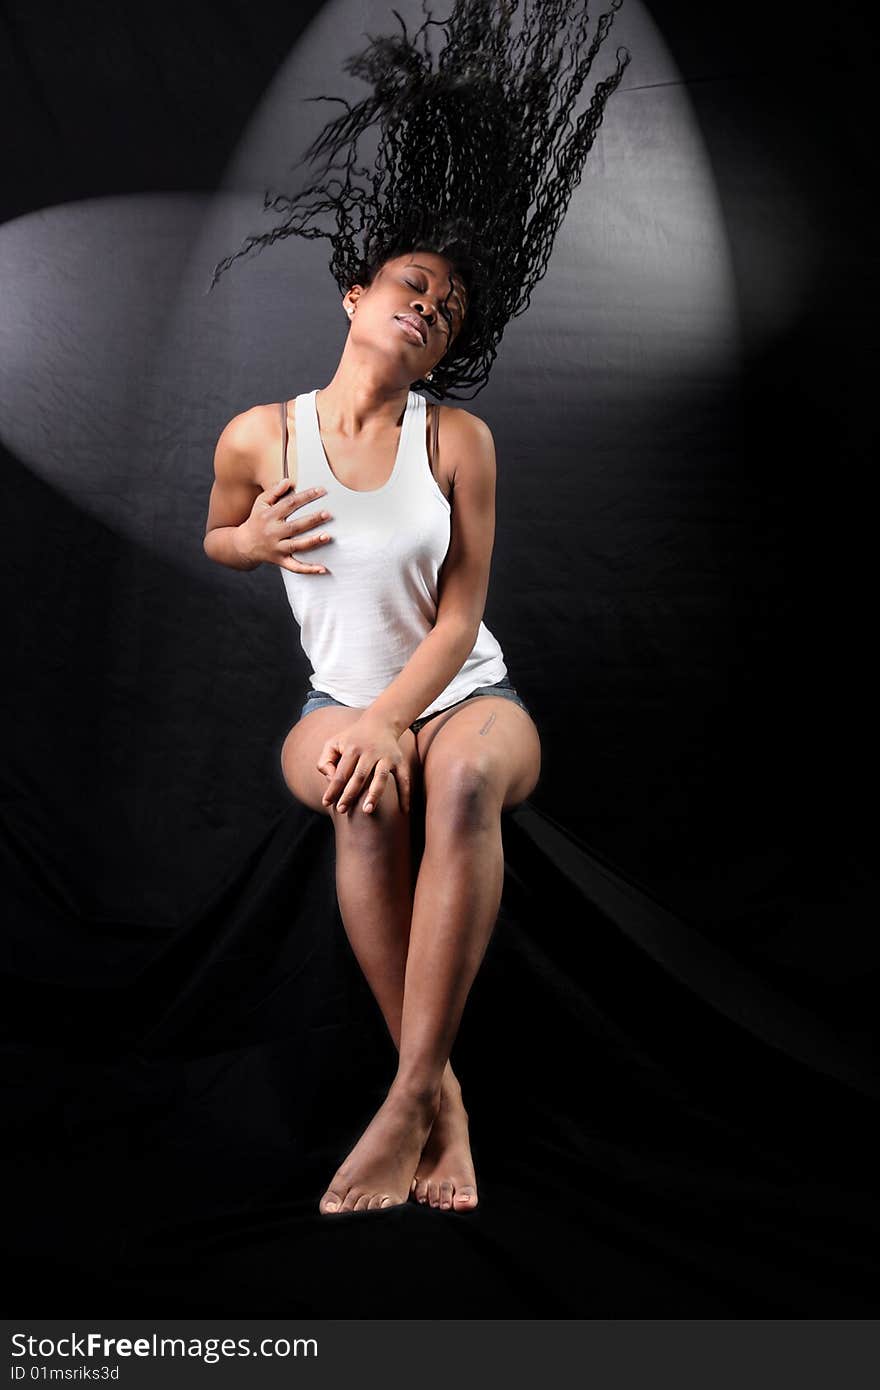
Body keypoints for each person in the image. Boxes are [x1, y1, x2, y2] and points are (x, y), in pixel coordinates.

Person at [204, 0, 630, 1214]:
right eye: (410, 284)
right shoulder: (260, 431)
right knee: (356, 791)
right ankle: (437, 1098)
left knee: (446, 775)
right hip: (334, 698)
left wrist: (403, 718)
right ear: (353, 292)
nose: (427, 308)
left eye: (446, 309)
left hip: (468, 696)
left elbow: (456, 620)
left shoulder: (460, 441)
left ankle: (401, 1106)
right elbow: (217, 528)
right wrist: (246, 544)